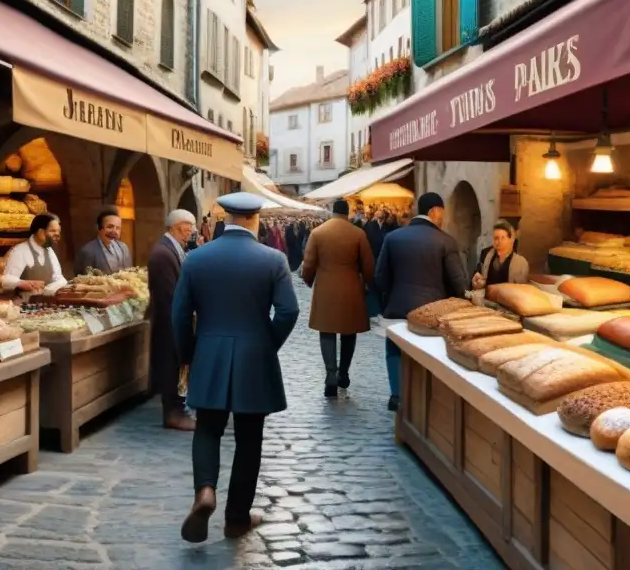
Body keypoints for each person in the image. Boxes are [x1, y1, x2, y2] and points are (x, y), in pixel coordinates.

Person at [172, 192, 299, 543]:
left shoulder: (195, 258)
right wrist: (265, 345)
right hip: (253, 357)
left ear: (226, 218)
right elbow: (288, 312)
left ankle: (205, 492)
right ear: (255, 218)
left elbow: (180, 315)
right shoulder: (273, 259)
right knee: (249, 439)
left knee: (208, 429)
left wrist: (189, 354)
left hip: (209, 352)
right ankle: (237, 517)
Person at [374, 192, 468, 411]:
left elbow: (380, 277)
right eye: (442, 212)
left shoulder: (393, 238)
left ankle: (396, 395)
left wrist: (389, 299)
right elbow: (458, 282)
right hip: (431, 312)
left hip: (397, 308)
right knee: (428, 354)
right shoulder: (446, 241)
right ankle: (424, 401)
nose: (443, 218)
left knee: (394, 351)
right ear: (434, 211)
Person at [301, 198, 374, 397]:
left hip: (325, 288)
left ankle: (330, 374)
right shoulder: (358, 234)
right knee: (349, 332)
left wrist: (308, 280)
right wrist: (367, 283)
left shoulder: (318, 233)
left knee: (327, 331)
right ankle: (343, 372)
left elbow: (308, 263)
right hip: (351, 288)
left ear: (333, 212)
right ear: (347, 212)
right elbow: (368, 265)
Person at [147, 208, 198, 432]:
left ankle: (179, 408)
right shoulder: (162, 253)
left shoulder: (172, 250)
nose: (192, 232)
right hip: (169, 324)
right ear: (179, 226)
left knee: (177, 367)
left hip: (175, 322)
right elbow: (168, 296)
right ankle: (173, 413)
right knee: (170, 366)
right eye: (190, 227)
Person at [1, 213, 68, 297]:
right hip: (24, 304)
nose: (57, 235)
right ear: (40, 232)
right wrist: (22, 283)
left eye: (58, 231)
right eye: (53, 231)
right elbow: (6, 280)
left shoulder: (50, 251)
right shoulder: (20, 250)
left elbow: (58, 278)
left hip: (46, 304)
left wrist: (56, 287)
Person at [472, 219, 530, 288]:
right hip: (486, 297)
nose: (499, 242)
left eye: (503, 238)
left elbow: (522, 292)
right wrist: (477, 281)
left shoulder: (521, 264)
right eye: (496, 238)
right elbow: (479, 277)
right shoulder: (486, 256)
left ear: (511, 240)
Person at [74, 209, 132, 274]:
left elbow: (129, 272)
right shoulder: (87, 252)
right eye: (110, 227)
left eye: (118, 228)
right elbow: (82, 280)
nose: (114, 231)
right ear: (99, 229)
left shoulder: (124, 248)